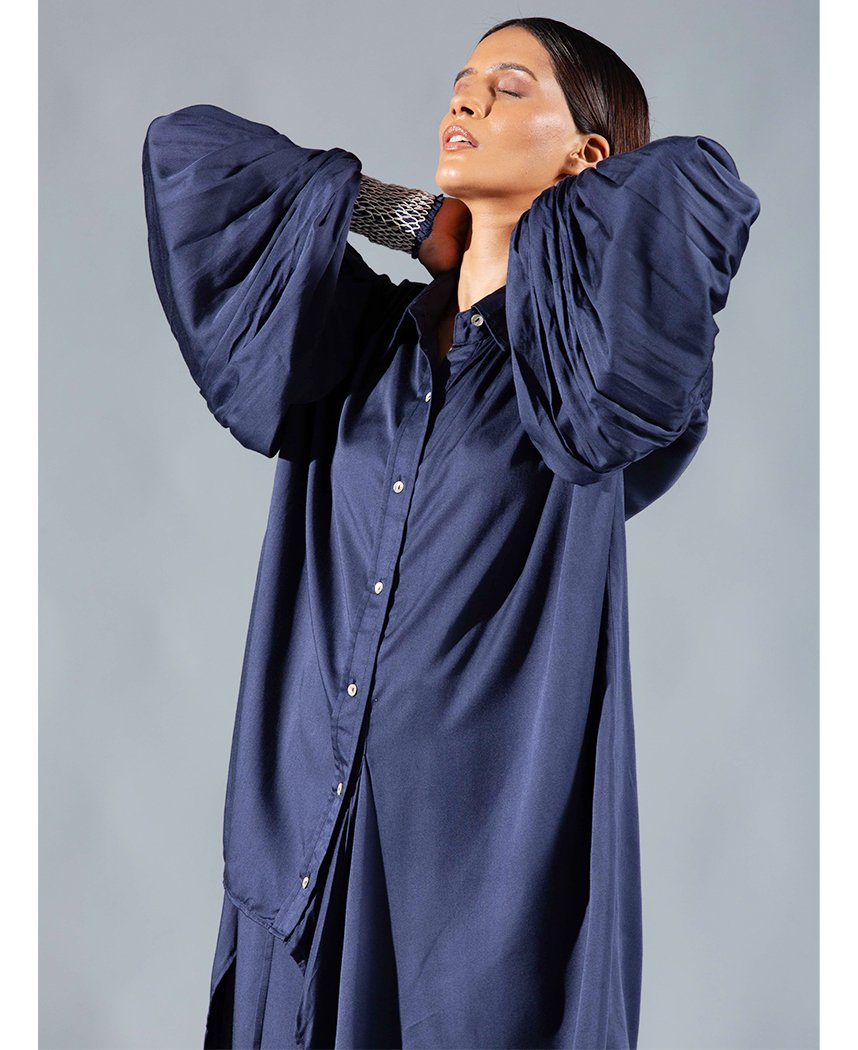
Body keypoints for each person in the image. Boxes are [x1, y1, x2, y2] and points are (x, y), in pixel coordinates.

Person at [141, 16, 760, 1050]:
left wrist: (537, 242)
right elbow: (185, 154)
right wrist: (400, 216)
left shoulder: (599, 380)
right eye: (463, 81)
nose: (466, 99)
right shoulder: (351, 344)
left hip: (476, 904)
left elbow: (693, 189)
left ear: (587, 154)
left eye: (510, 87)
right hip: (304, 855)